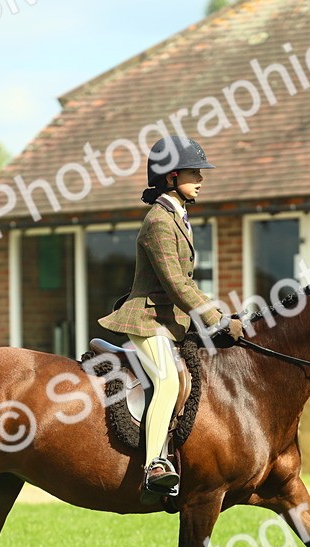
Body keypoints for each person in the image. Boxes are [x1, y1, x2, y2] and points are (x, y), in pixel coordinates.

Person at [98, 136, 244, 495]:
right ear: (171, 177)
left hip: (170, 322)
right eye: (194, 172)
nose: (201, 178)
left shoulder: (178, 217)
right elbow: (176, 282)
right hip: (147, 320)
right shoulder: (159, 221)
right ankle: (153, 466)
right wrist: (215, 317)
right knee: (168, 380)